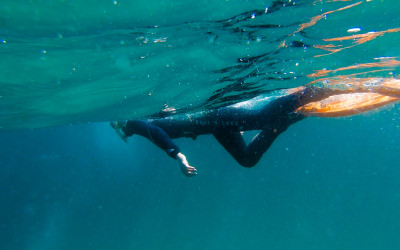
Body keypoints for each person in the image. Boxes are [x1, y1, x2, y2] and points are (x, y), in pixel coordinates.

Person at [111, 78, 400, 177]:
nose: (117, 128)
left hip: (219, 117)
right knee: (247, 159)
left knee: (264, 117)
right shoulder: (142, 114)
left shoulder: (133, 119)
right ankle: (286, 120)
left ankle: (369, 85)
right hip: (215, 124)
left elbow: (159, 134)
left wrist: (180, 157)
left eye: (115, 124)